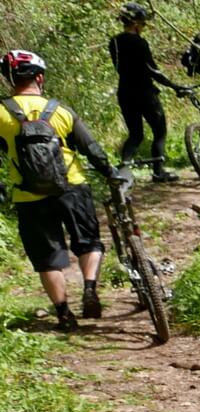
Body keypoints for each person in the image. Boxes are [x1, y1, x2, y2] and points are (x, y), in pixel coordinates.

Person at [1, 50, 131, 329]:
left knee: (48, 258)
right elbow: (91, 148)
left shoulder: (1, 112)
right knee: (89, 241)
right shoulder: (60, 110)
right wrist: (110, 172)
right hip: (72, 187)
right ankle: (90, 289)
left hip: (28, 195)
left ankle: (64, 314)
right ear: (40, 78)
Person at [108, 3, 190, 183]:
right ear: (136, 23)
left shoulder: (114, 41)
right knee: (160, 131)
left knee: (135, 134)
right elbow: (152, 70)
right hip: (144, 92)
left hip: (125, 92)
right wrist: (175, 86)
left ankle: (122, 170)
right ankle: (158, 171)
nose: (144, 27)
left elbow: (121, 67)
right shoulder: (139, 42)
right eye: (143, 24)